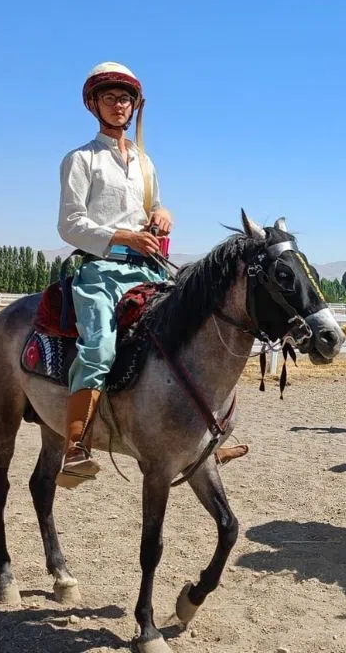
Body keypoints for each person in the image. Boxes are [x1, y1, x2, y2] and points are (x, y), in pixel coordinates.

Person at [58, 61, 246, 487]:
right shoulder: (80, 159)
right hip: (102, 271)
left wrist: (162, 215)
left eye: (125, 98)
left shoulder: (145, 162)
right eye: (109, 97)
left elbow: (155, 205)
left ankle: (198, 439)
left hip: (148, 267)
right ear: (94, 105)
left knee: (196, 330)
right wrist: (123, 237)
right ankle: (74, 445)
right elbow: (70, 224)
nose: (119, 105)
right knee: (100, 348)